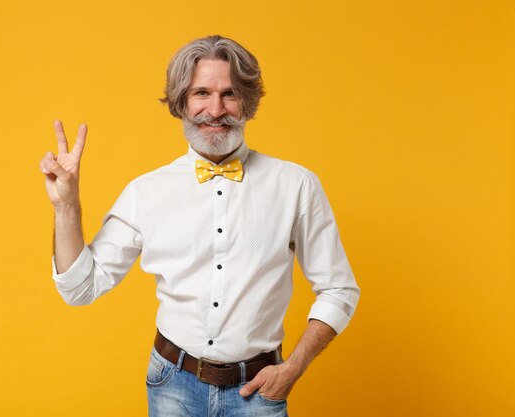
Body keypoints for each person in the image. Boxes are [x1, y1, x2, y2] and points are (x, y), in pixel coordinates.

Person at [40, 35, 360, 417]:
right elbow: (81, 288)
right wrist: (67, 205)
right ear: (182, 102)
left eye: (229, 94)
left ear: (248, 102)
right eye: (201, 93)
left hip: (259, 391)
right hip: (171, 385)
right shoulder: (147, 192)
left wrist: (293, 368)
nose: (215, 108)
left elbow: (339, 289)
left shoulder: (295, 185)